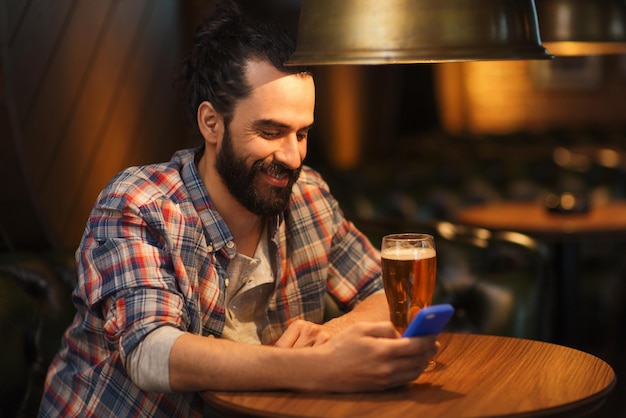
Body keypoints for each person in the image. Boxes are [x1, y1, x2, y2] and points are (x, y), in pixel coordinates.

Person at [39, 1, 439, 416]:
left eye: (302, 134)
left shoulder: (309, 197)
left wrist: (334, 335)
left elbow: (389, 295)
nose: (292, 156)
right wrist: (311, 368)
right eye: (270, 131)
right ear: (211, 123)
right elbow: (150, 351)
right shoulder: (140, 203)